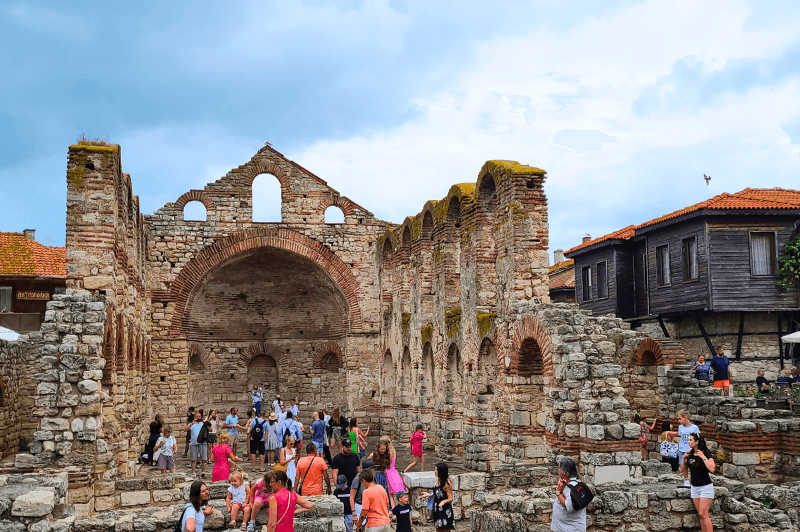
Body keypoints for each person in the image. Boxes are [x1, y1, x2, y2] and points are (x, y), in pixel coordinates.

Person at [681, 433, 715, 532]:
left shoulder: (706, 454)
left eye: (691, 440)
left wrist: (702, 456)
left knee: (703, 514)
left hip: (705, 486)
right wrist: (683, 458)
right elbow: (683, 469)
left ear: (697, 442)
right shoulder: (690, 454)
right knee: (700, 514)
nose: (688, 442)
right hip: (695, 487)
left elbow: (712, 469)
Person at [550, 458, 587, 532]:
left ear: (564, 472)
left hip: (570, 529)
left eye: (559, 468)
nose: (558, 469)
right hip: (567, 528)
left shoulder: (571, 487)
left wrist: (559, 492)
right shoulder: (576, 483)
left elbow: (568, 505)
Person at [666, 409, 700, 488]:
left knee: (693, 465)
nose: (678, 421)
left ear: (685, 417)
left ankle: (694, 479)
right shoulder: (680, 427)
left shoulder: (694, 428)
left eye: (679, 419)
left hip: (690, 450)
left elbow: (698, 438)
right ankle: (686, 480)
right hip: (682, 449)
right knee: (683, 465)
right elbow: (680, 435)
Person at [419, 463, 453, 531]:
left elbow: (450, 498)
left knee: (445, 529)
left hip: (444, 510)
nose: (435, 471)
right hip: (437, 509)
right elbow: (438, 493)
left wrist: (444, 501)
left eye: (436, 469)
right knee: (438, 528)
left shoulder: (447, 483)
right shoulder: (438, 480)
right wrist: (428, 494)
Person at [187, 413, 208, 478]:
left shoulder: (204, 424)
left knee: (204, 459)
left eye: (199, 416)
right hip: (193, 443)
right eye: (197, 416)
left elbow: (211, 429)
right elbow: (185, 429)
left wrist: (206, 422)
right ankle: (193, 472)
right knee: (193, 459)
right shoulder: (192, 424)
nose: (198, 417)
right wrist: (191, 424)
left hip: (203, 443)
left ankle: (203, 472)